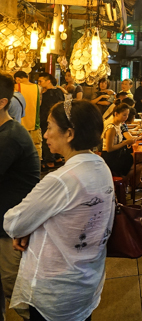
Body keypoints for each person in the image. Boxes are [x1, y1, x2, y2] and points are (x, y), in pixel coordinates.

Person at [3, 98, 113, 321]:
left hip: (55, 290)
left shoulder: (62, 180)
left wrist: (26, 228)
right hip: (86, 282)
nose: (45, 135)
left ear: (70, 134)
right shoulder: (101, 166)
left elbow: (13, 223)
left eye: (50, 127)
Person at [0, 72, 39, 321]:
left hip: (11, 229)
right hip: (5, 223)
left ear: (2, 102)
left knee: (15, 289)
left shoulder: (10, 136)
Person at [38, 72, 65, 169]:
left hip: (46, 120)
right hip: (59, 119)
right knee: (57, 137)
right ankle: (58, 158)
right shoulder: (59, 91)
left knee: (47, 139)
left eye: (40, 81)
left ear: (48, 81)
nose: (39, 83)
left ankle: (49, 161)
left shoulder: (45, 94)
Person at [102, 103, 136, 177]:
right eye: (124, 115)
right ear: (116, 114)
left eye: (127, 115)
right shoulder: (111, 128)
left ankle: (127, 184)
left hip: (117, 154)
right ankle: (125, 183)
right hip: (111, 158)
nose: (126, 117)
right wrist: (124, 143)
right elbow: (109, 148)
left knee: (137, 159)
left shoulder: (119, 125)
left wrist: (127, 143)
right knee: (137, 163)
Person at [14, 71, 41, 160]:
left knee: (20, 147)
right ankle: (38, 164)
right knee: (36, 146)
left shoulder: (16, 87)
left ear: (17, 79)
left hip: (21, 122)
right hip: (34, 122)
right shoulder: (38, 87)